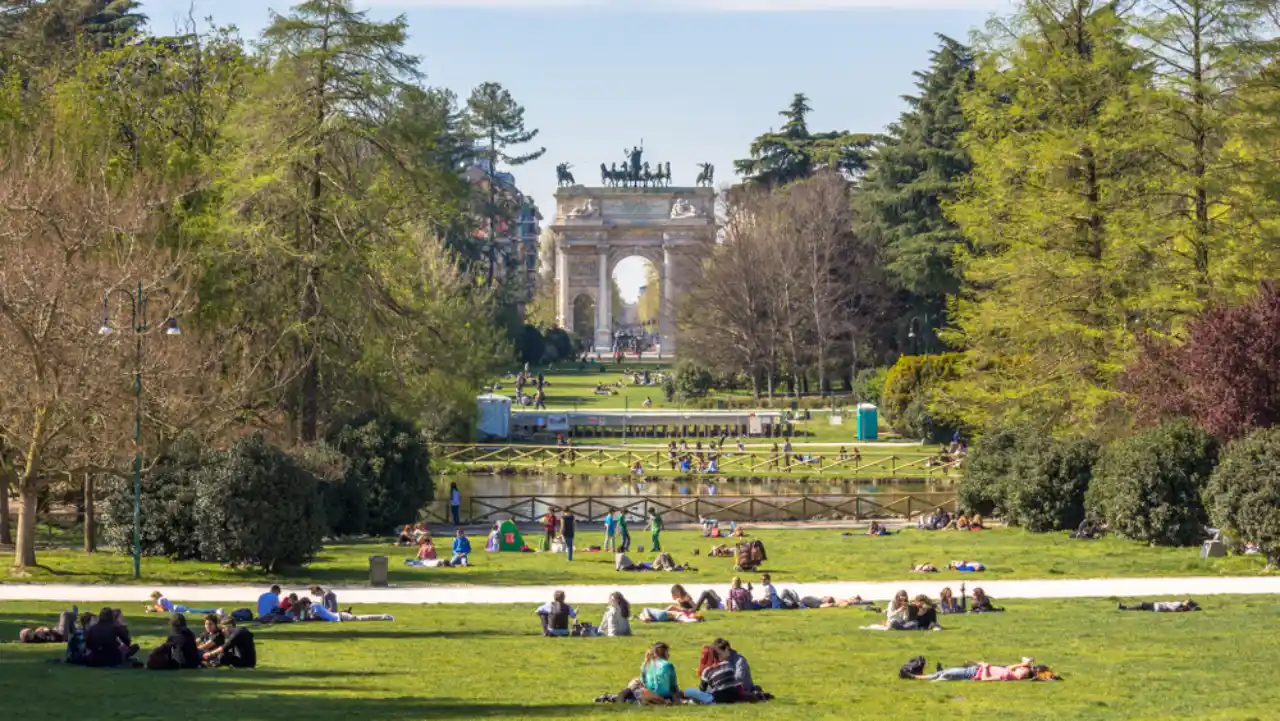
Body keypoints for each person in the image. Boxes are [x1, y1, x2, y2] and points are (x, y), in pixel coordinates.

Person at [913, 657, 1049, 682]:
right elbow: (1009, 667)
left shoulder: (1008, 677)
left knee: (943, 674)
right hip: (973, 669)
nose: (1022, 670)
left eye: (1024, 671)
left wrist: (986, 667)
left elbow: (985, 679)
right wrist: (1022, 664)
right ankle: (916, 676)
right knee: (942, 673)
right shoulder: (1010, 672)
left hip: (972, 673)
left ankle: (914, 677)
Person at [146, 591, 221, 616]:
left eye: (152, 598)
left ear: (155, 596)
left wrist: (153, 608)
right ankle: (214, 610)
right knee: (197, 611)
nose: (152, 600)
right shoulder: (162, 599)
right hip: (178, 607)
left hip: (177, 609)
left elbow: (163, 610)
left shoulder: (160, 600)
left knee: (197, 611)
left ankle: (215, 610)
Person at [1118, 599, 1201, 612]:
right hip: (1159, 608)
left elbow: (1172, 607)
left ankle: (1124, 608)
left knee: (1142, 605)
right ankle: (1125, 608)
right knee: (1142, 607)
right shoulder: (1181, 607)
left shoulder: (1179, 604)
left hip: (1158, 606)